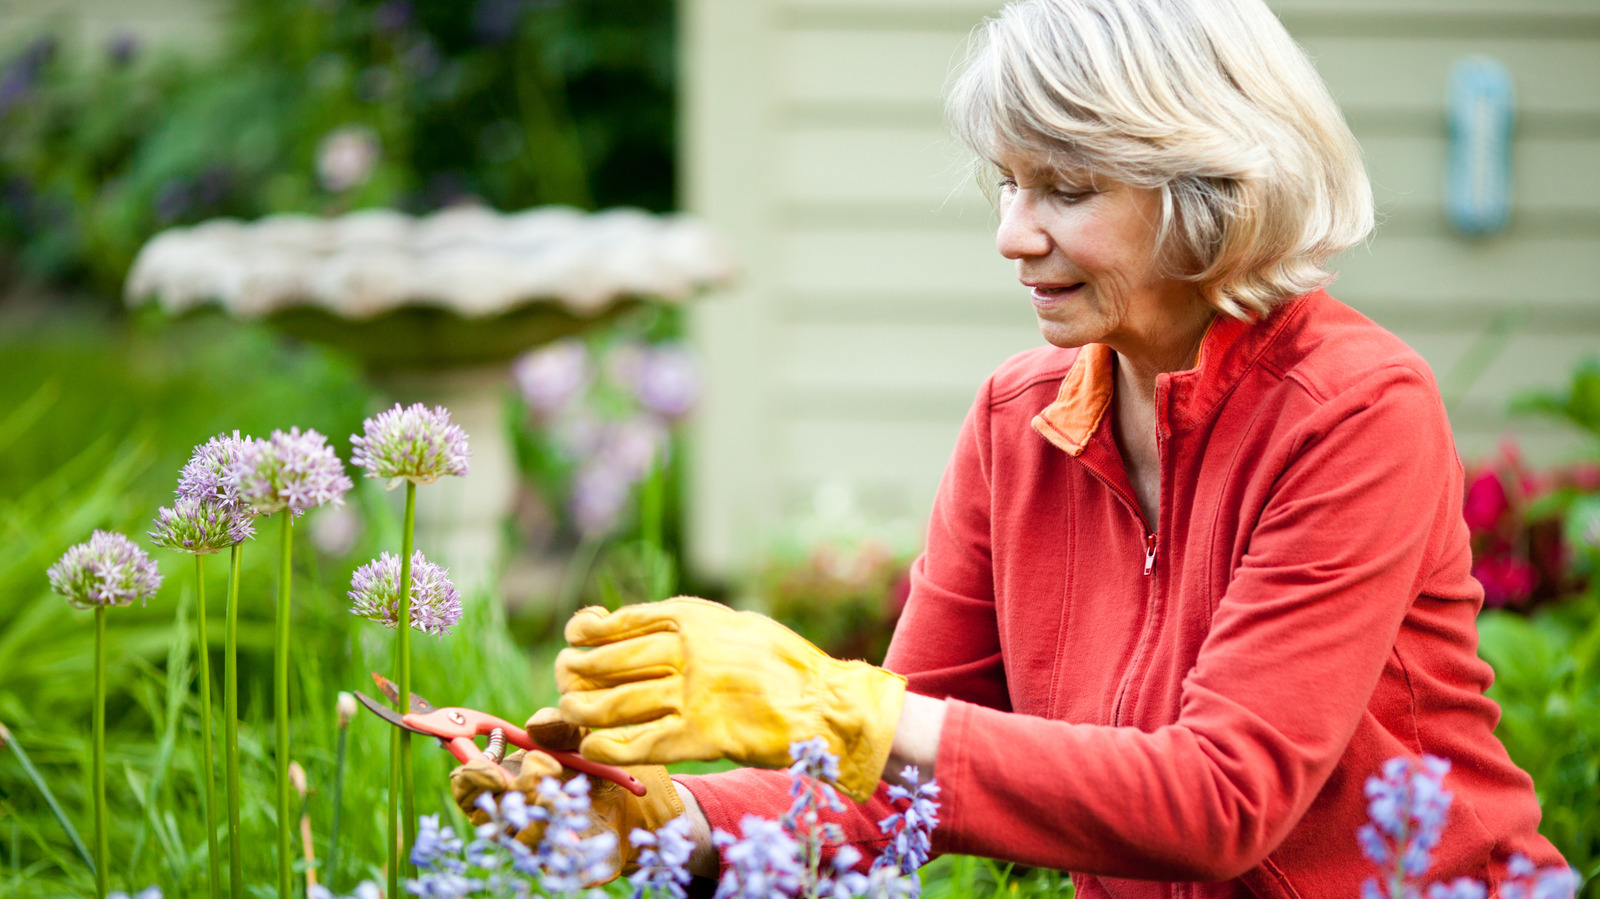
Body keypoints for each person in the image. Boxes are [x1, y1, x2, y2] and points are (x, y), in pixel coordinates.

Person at [452, 0, 1571, 895]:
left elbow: (1222, 798)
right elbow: (890, 787)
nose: (1011, 233)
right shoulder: (1016, 421)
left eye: (1066, 190)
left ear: (1212, 189)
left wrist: (833, 704)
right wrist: (660, 817)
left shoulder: (1355, 409)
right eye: (1008, 182)